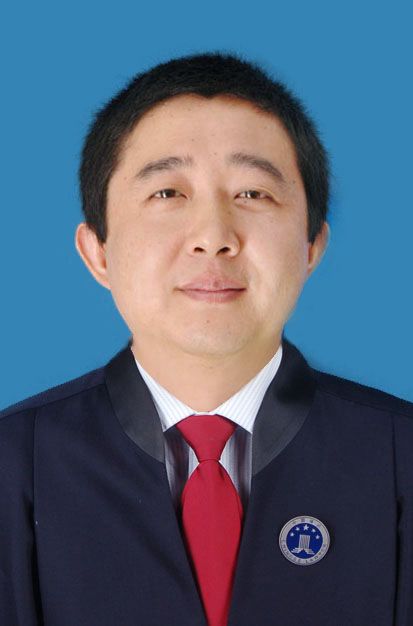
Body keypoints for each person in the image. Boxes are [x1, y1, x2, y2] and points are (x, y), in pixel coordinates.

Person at [0, 51, 412, 626]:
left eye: (253, 193)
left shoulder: (400, 455)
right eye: (168, 193)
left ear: (312, 246)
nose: (214, 236)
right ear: (98, 251)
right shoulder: (13, 463)